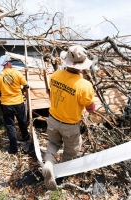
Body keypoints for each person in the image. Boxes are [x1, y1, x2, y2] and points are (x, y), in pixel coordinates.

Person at [42, 45, 95, 190]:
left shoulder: (55, 76)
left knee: (53, 143)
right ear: (82, 65)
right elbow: (90, 108)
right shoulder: (85, 85)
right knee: (72, 150)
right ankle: (60, 174)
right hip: (70, 125)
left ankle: (48, 163)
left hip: (53, 119)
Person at [0, 55, 30, 154]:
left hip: (6, 104)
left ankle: (13, 148)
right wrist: (20, 89)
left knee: (10, 125)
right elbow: (26, 85)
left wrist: (4, 91)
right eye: (11, 62)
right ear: (7, 64)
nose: (12, 64)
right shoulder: (17, 73)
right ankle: (27, 143)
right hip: (18, 102)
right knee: (22, 122)